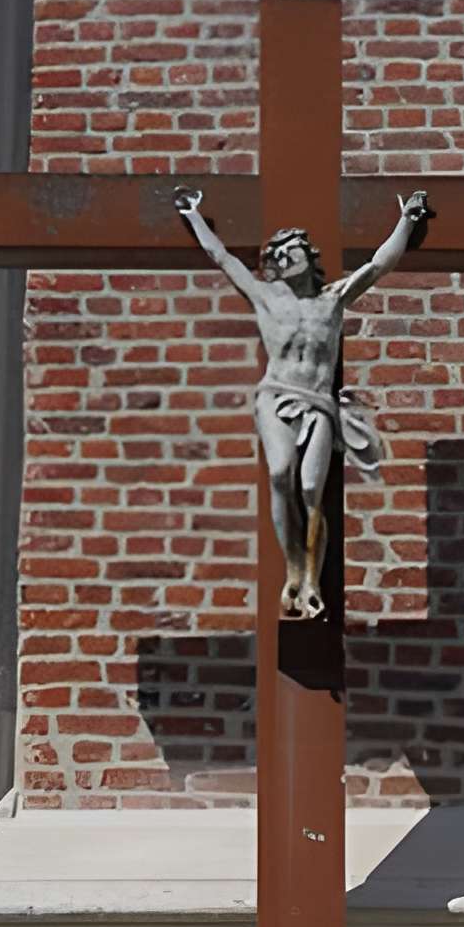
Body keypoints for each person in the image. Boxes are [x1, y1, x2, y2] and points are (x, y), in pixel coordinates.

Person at [174, 184, 433, 618]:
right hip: (275, 396)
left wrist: (407, 219)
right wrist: (195, 215)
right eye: (276, 255)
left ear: (307, 256)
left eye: (290, 252)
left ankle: (312, 578)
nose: (281, 260)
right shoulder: (265, 297)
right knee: (280, 473)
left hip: (317, 402)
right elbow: (222, 258)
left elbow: (378, 265)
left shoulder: (331, 300)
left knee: (312, 488)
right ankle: (293, 570)